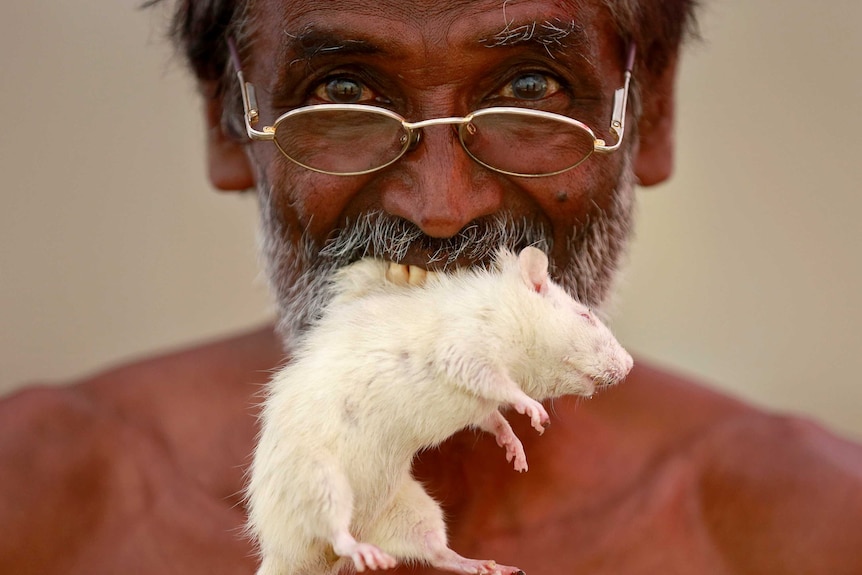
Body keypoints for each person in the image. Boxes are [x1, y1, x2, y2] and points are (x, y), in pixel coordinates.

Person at [1, 0, 860, 573]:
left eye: (532, 87)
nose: (442, 208)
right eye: (342, 89)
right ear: (228, 121)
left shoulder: (808, 532)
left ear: (653, 117)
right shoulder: (40, 509)